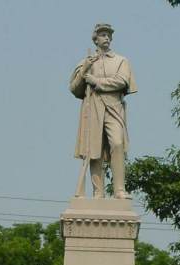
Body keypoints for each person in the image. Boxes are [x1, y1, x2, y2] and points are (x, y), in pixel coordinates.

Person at [70, 23, 137, 199]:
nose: (106, 38)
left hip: (114, 108)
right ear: (96, 39)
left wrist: (96, 82)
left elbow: (122, 81)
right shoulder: (86, 62)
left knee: (117, 143)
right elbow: (74, 89)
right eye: (103, 35)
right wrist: (84, 70)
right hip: (93, 108)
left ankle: (119, 190)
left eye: (108, 35)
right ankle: (98, 192)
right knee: (94, 150)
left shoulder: (121, 61)